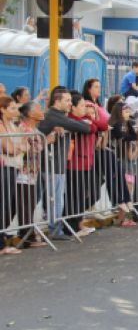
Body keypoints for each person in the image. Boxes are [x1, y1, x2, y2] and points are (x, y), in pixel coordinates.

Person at [37, 89, 92, 240]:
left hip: (57, 164)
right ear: (57, 101)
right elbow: (85, 127)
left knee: (55, 199)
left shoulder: (58, 116)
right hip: (50, 164)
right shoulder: (54, 116)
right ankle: (55, 231)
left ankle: (55, 230)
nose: (70, 103)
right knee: (55, 200)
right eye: (67, 101)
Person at [64, 92, 109, 237]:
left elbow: (102, 125)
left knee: (89, 194)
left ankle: (77, 222)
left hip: (87, 163)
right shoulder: (71, 119)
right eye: (82, 105)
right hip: (75, 164)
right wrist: (90, 123)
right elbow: (90, 129)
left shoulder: (87, 118)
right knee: (74, 196)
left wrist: (91, 117)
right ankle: (72, 226)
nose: (85, 108)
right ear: (73, 108)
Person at [16, 101, 51, 247]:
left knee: (29, 204)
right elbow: (25, 149)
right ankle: (27, 237)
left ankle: (28, 234)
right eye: (38, 108)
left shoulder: (33, 128)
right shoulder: (23, 128)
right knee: (25, 204)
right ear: (30, 114)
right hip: (22, 173)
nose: (41, 110)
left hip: (32, 172)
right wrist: (46, 142)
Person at [0, 96, 25, 254]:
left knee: (10, 204)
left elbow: (24, 144)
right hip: (6, 166)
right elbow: (9, 148)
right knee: (3, 204)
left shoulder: (12, 125)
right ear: (2, 110)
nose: (16, 111)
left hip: (14, 166)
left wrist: (20, 147)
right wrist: (19, 147)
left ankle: (2, 236)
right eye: (12, 108)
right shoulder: (2, 126)